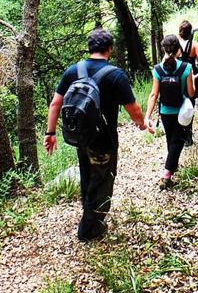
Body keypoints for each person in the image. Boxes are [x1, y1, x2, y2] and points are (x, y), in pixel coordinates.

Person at [43, 29, 146, 242]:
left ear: (90, 48)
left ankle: (89, 215)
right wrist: (142, 124)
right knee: (102, 181)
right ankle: (90, 229)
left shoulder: (73, 70)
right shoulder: (116, 75)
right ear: (109, 49)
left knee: (88, 176)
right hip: (104, 140)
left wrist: (50, 132)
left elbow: (55, 103)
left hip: (81, 137)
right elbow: (134, 110)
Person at [144, 35, 194, 189]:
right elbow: (191, 93)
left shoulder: (158, 69)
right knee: (178, 141)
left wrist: (147, 117)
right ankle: (167, 174)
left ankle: (172, 166)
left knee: (171, 139)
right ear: (179, 50)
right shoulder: (186, 67)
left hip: (165, 112)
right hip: (182, 112)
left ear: (163, 50)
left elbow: (154, 95)